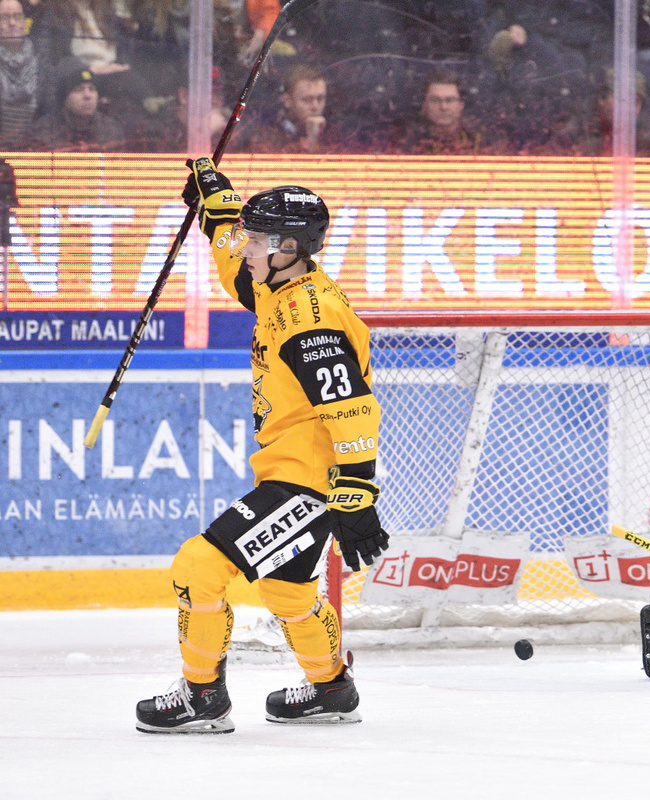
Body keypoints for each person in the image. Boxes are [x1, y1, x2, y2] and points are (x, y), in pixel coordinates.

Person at [134, 158, 390, 733]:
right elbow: (234, 266)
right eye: (248, 236)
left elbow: (351, 406)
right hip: (292, 471)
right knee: (288, 589)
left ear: (289, 246)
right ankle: (329, 689)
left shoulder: (310, 319)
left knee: (197, 566)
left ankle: (202, 697)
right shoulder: (279, 282)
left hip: (308, 482)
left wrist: (355, 491)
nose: (245, 247)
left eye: (257, 238)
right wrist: (218, 203)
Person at [27, 56, 126, 150]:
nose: (88, 96)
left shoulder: (112, 132)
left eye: (92, 89)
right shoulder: (43, 133)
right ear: (64, 99)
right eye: (78, 90)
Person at [239, 63, 339, 154]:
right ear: (287, 101)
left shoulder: (335, 132)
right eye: (307, 100)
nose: (315, 106)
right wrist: (311, 140)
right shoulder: (267, 133)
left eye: (320, 99)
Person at [393, 71, 491, 155]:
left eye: (450, 100)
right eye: (435, 100)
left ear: (461, 105)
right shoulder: (406, 141)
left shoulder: (480, 141)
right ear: (424, 105)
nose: (443, 107)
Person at [0, 0, 44, 150]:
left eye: (18, 17)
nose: (12, 23)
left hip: (33, 147)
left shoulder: (41, 60)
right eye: (4, 18)